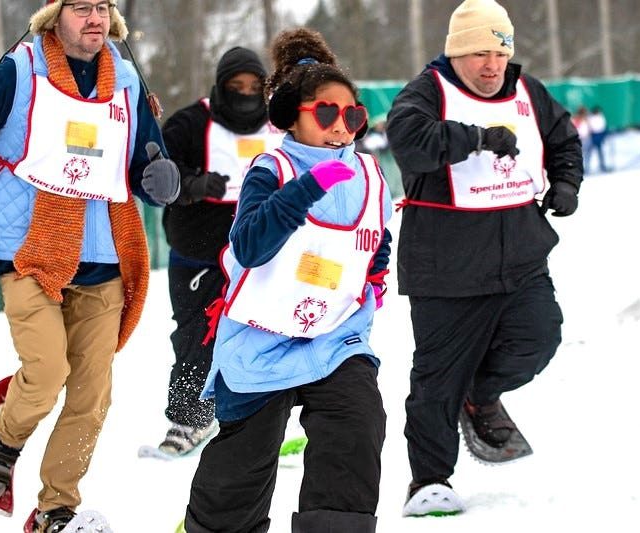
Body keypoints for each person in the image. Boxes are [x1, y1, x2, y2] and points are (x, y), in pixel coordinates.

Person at [0, 1, 179, 531]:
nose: (93, 18)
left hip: (104, 256)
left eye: (102, 7)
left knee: (93, 395)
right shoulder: (19, 71)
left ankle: (56, 507)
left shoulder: (126, 79)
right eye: (80, 8)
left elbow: (144, 161)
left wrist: (158, 180)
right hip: (29, 250)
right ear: (54, 15)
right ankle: (3, 440)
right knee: (48, 372)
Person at [183, 28, 392, 533]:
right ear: (292, 116)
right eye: (325, 113)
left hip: (333, 335)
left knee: (358, 422)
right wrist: (303, 191)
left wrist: (375, 280)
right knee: (246, 458)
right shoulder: (271, 168)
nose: (341, 127)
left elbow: (378, 242)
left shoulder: (369, 172)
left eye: (353, 116)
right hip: (261, 336)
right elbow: (250, 245)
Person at [386, 0, 583, 516]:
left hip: (520, 256)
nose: (491, 65)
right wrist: (474, 138)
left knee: (538, 339)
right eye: (477, 53)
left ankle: (480, 393)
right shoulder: (427, 92)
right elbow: (409, 144)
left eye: (499, 52)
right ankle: (429, 480)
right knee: (435, 380)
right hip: (445, 266)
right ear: (456, 53)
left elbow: (564, 139)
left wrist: (565, 183)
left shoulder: (527, 91)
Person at [156, 47, 283, 457]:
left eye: (253, 87)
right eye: (236, 87)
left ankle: (265, 416)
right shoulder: (190, 123)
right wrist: (192, 185)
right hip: (199, 252)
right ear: (221, 86)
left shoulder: (280, 123)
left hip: (263, 256)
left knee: (266, 333)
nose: (246, 94)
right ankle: (189, 417)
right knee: (196, 335)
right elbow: (156, 174)